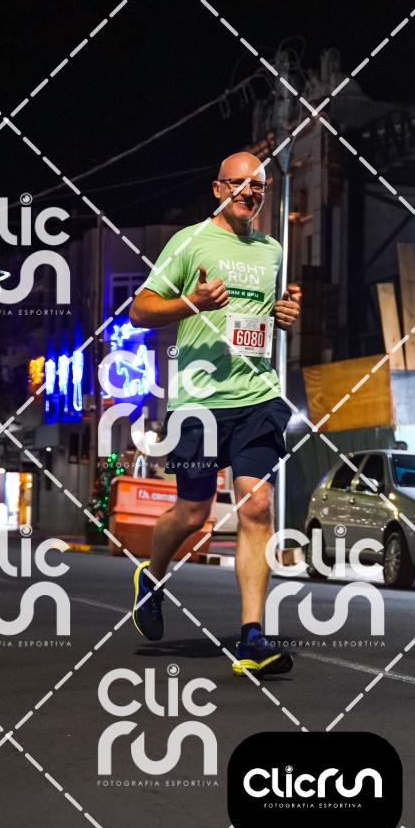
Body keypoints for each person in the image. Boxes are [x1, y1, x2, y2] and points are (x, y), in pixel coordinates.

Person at [129, 151, 301, 677]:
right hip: (198, 402)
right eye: (239, 184)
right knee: (193, 513)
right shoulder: (190, 242)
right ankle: (151, 578)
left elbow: (258, 319)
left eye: (258, 186)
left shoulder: (271, 250)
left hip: (257, 397)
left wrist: (283, 314)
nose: (250, 193)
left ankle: (252, 637)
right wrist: (193, 303)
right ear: (218, 189)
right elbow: (139, 310)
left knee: (257, 506)